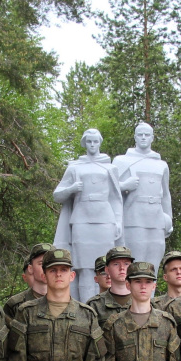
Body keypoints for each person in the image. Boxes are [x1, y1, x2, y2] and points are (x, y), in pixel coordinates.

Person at [52, 128, 131, 302]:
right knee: (84, 267)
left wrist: (118, 221)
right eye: (89, 141)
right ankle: (86, 306)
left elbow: (115, 198)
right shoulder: (75, 167)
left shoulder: (110, 167)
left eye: (95, 141)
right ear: (84, 143)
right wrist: (71, 189)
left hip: (105, 219)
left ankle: (107, 305)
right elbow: (57, 195)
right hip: (82, 219)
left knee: (106, 266)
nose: (93, 145)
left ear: (100, 142)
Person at [112, 122, 173, 268]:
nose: (143, 137)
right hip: (133, 216)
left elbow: (165, 195)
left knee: (154, 263)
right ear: (135, 137)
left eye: (147, 135)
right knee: (135, 263)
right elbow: (109, 190)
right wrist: (125, 185)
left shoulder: (161, 164)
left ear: (152, 137)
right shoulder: (122, 161)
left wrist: (168, 218)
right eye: (140, 135)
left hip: (156, 218)